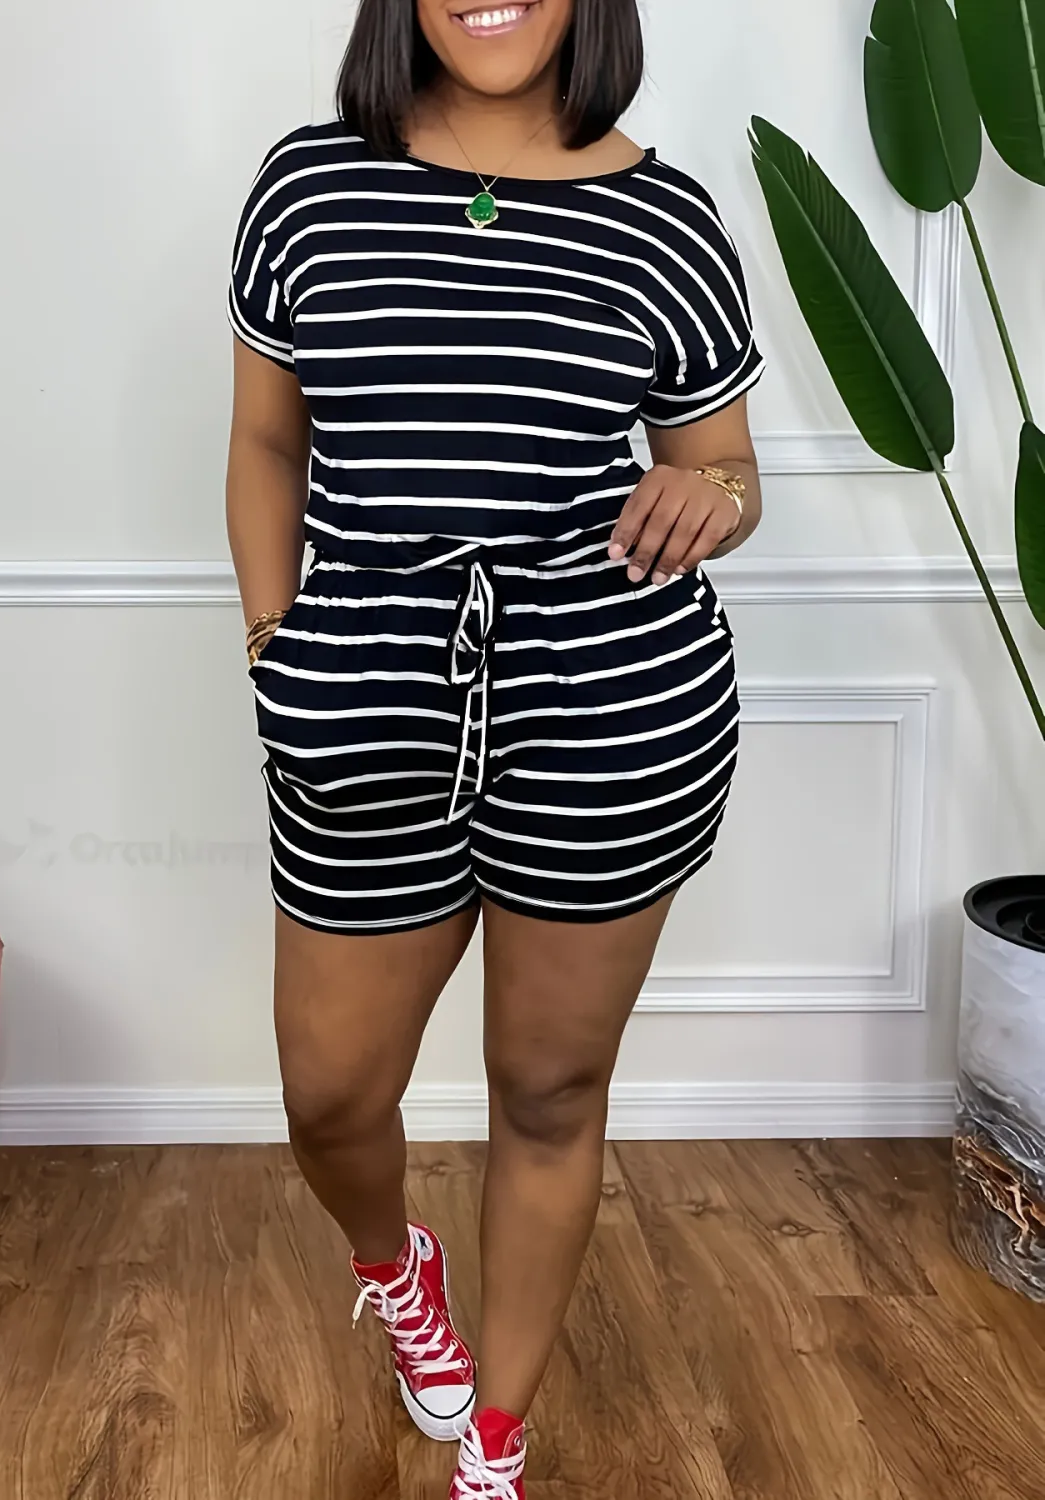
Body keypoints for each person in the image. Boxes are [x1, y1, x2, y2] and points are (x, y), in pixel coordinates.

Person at [225, 0, 763, 1492]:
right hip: (364, 709)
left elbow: (725, 466)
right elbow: (267, 439)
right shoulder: (310, 186)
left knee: (548, 1091)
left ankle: (499, 1446)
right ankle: (398, 1269)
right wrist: (274, 642)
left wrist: (714, 501)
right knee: (331, 1094)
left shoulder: (666, 219)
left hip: (609, 713)